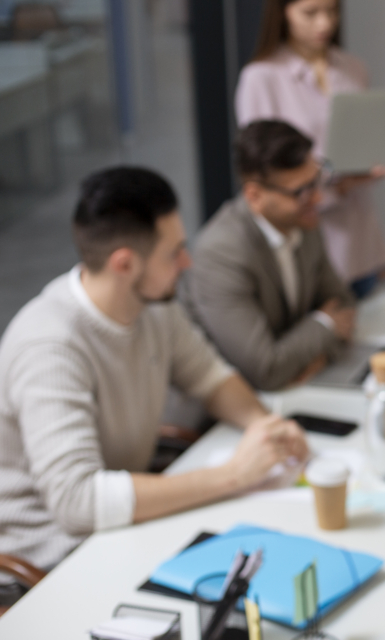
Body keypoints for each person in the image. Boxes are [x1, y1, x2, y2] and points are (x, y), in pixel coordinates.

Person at [0, 167, 309, 605]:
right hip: (52, 557)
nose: (187, 263)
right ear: (124, 263)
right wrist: (234, 475)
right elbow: (76, 500)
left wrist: (267, 427)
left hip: (122, 523)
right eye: (175, 252)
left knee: (266, 569)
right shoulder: (50, 345)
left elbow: (210, 377)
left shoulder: (153, 307)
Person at [236, 0, 385, 298]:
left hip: (360, 238)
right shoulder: (261, 78)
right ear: (283, 12)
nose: (325, 24)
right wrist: (337, 183)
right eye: (310, 13)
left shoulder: (353, 68)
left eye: (332, 11)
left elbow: (363, 143)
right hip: (308, 237)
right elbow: (263, 172)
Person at [181, 120, 355, 392]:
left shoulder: (303, 222)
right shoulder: (220, 253)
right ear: (255, 196)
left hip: (292, 391)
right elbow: (265, 370)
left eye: (317, 180)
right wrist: (324, 325)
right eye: (301, 191)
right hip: (223, 412)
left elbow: (343, 305)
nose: (318, 198)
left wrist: (317, 359)